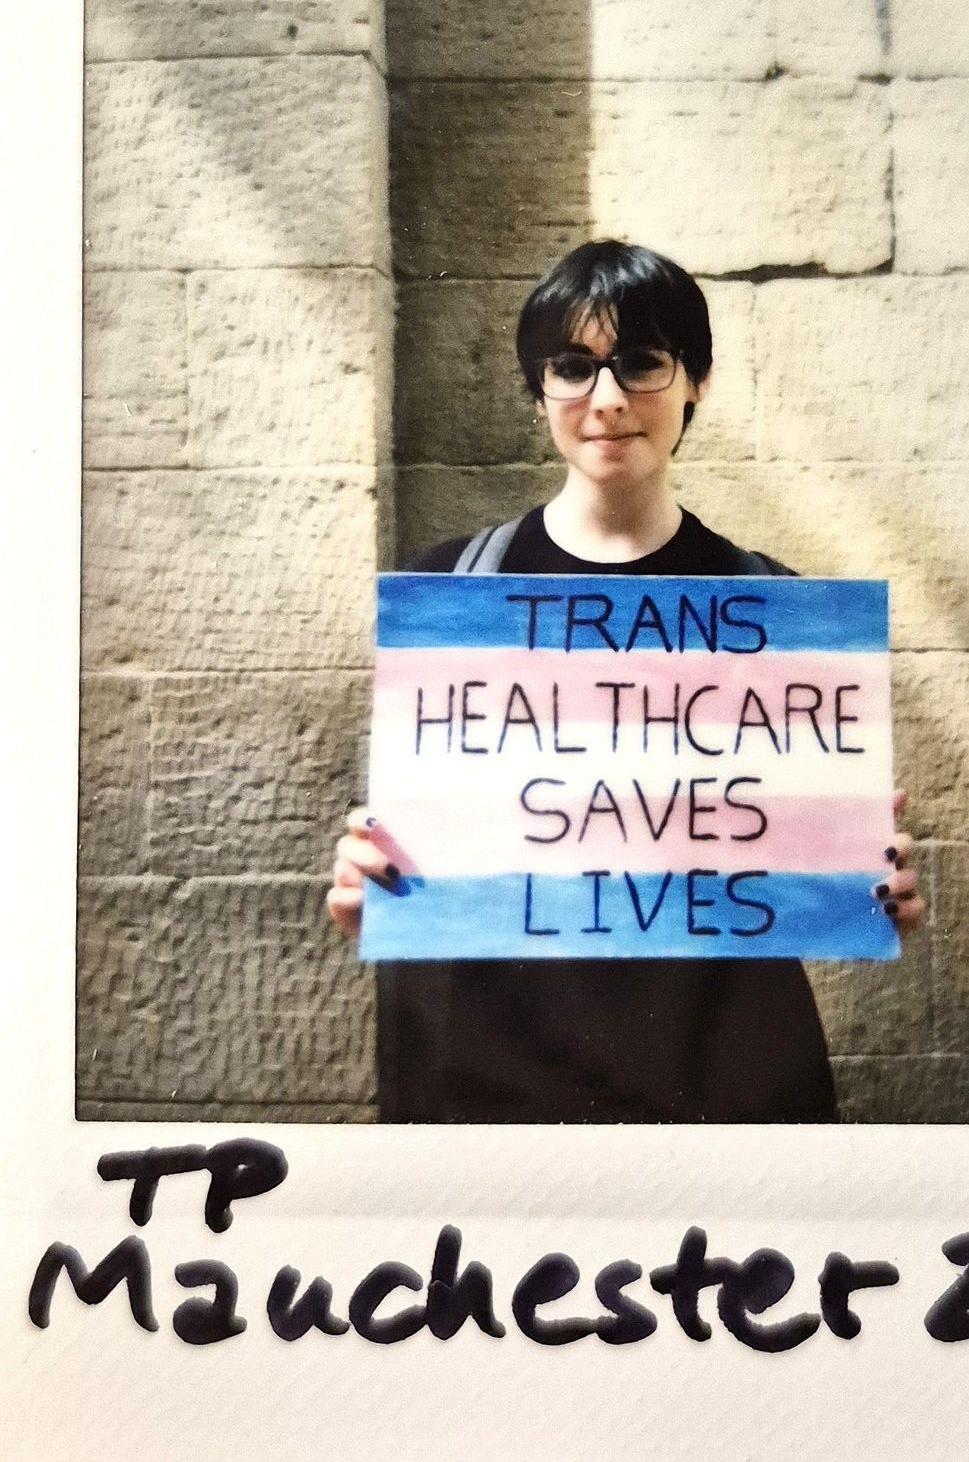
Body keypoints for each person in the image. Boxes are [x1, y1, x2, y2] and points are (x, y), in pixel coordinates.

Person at [329, 239, 924, 1123]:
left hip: (722, 1088)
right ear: (541, 391)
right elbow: (412, 849)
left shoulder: (779, 612)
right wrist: (373, 887)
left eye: (641, 362)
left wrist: (866, 883)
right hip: (497, 1083)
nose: (607, 399)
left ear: (697, 380)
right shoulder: (454, 595)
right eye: (573, 367)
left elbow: (816, 864)